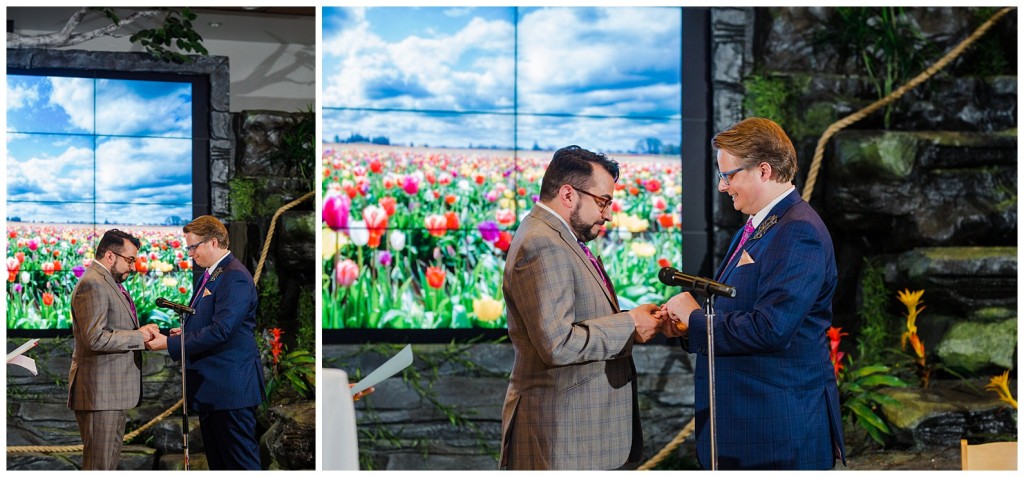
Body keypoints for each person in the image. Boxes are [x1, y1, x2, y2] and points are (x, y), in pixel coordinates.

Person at [660, 117, 846, 469]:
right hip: (754, 428)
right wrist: (688, 327)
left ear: (763, 171)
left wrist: (697, 318)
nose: (722, 186)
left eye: (728, 176)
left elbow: (771, 328)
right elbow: (742, 310)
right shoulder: (761, 223)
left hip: (778, 433)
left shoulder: (798, 230)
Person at [499, 145, 664, 470]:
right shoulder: (543, 243)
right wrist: (629, 324)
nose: (608, 214)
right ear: (568, 194)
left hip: (578, 435)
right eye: (603, 201)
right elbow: (558, 344)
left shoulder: (558, 237)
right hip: (563, 437)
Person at [146, 215, 265, 470]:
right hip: (215, 389)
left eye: (193, 247)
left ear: (213, 242)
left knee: (240, 464)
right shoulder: (213, 273)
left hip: (231, 389)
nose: (190, 253)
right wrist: (185, 331)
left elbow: (222, 330)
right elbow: (209, 320)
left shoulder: (234, 276)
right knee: (220, 464)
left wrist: (169, 344)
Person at [68, 229, 160, 470]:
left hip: (109, 394)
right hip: (101, 395)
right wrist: (138, 336)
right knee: (100, 467)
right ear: (110, 256)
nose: (133, 266)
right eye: (130, 260)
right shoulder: (93, 283)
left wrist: (140, 331)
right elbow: (95, 338)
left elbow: (112, 328)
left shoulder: (108, 281)